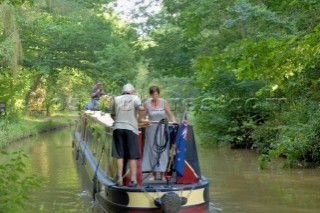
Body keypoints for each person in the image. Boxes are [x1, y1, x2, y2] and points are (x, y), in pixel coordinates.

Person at [111, 83, 144, 187]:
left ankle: (120, 179)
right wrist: (140, 119)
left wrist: (118, 121)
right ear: (132, 91)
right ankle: (133, 180)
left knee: (119, 156)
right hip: (131, 129)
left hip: (118, 128)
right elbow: (141, 108)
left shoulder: (116, 99)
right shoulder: (135, 98)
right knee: (132, 156)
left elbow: (112, 115)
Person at [141, 85, 176, 181]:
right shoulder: (146, 104)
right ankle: (153, 173)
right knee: (152, 150)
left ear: (159, 94)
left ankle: (162, 174)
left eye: (156, 94)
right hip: (152, 129)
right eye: (153, 94)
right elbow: (142, 118)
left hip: (162, 130)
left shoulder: (164, 103)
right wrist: (146, 121)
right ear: (150, 94)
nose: (154, 96)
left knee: (163, 150)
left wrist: (174, 123)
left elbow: (170, 115)